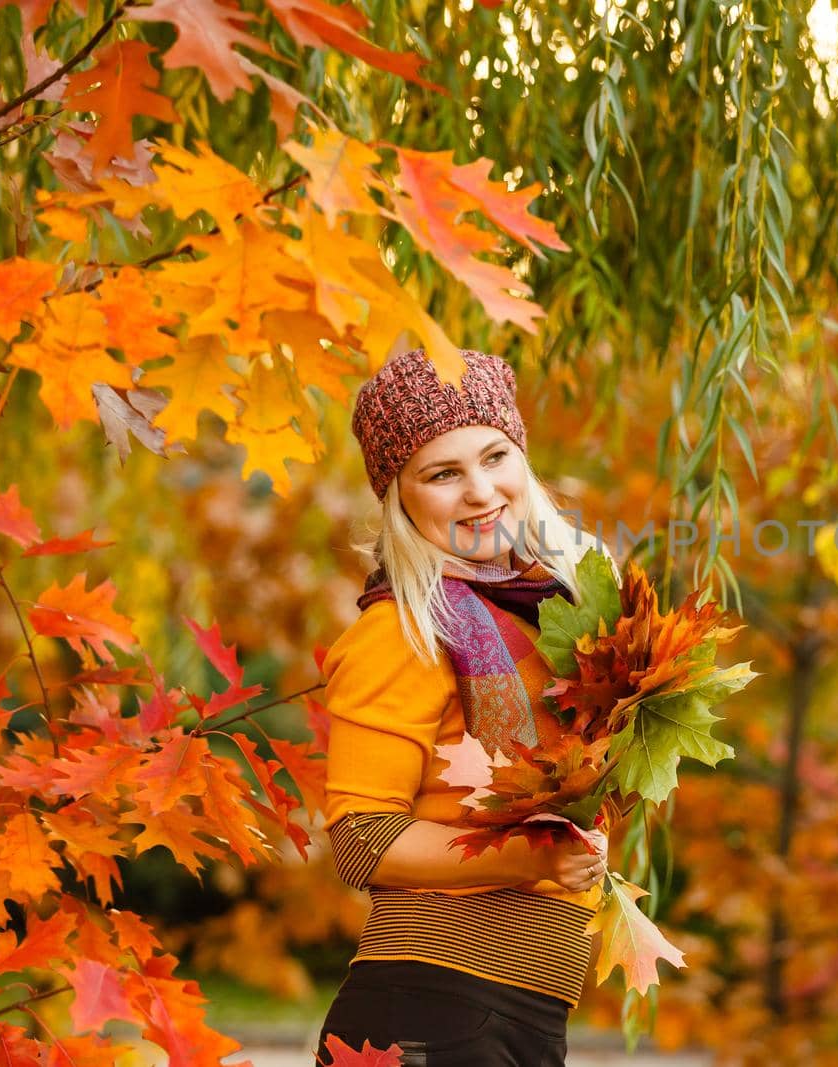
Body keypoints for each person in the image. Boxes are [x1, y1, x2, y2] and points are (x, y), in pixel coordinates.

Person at [315, 346, 612, 1067]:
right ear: (400, 497)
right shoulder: (405, 628)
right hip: (432, 1009)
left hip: (516, 1013)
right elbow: (361, 840)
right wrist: (529, 859)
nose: (482, 491)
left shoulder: (556, 621)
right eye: (443, 473)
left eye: (495, 456)